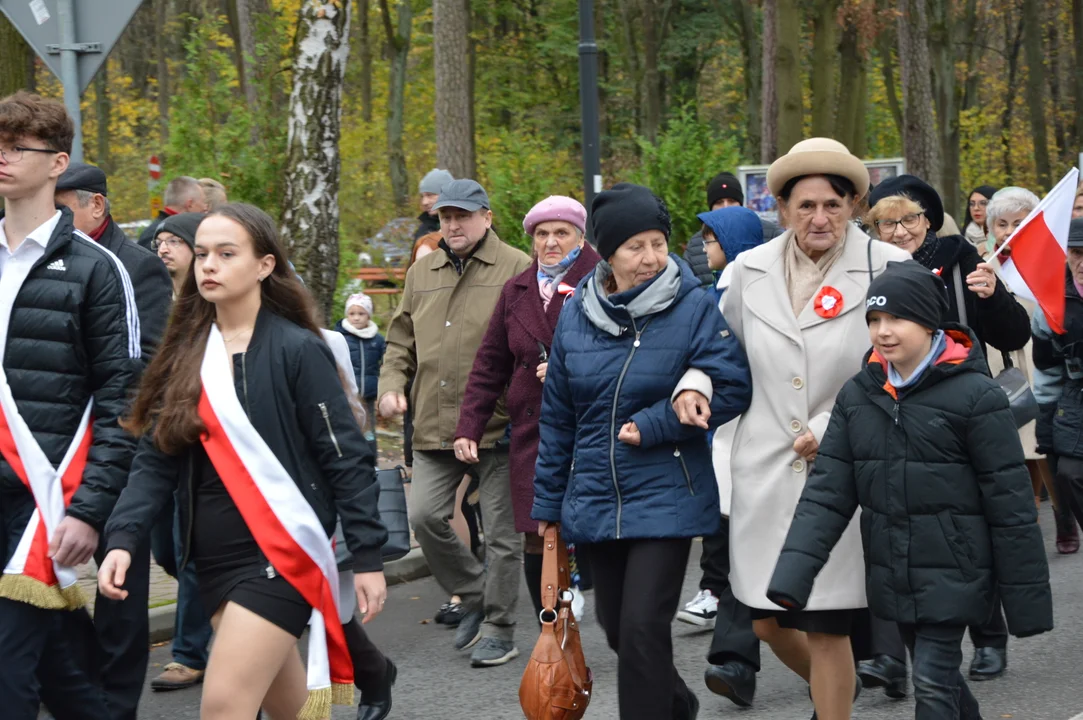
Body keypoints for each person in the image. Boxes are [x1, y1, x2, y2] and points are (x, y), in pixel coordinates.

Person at [99, 203, 389, 720]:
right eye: (203, 253)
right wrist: (122, 537)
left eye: (226, 254)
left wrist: (366, 555)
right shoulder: (185, 352)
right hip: (210, 560)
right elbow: (154, 460)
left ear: (264, 265)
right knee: (290, 710)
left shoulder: (298, 350)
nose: (208, 265)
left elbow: (346, 459)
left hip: (280, 555)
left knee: (224, 706)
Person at [767, 259, 1053, 720]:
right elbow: (827, 493)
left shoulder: (975, 396)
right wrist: (793, 575)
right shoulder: (859, 395)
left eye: (896, 318)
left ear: (928, 321)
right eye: (874, 320)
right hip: (893, 569)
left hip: (957, 569)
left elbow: (1011, 504)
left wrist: (1026, 601)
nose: (883, 331)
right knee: (942, 681)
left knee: (932, 684)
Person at [533, 182, 753, 720]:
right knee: (617, 630)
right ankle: (676, 703)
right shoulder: (575, 313)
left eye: (659, 242)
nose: (652, 257)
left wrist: (657, 423)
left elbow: (732, 383)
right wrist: (546, 506)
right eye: (636, 247)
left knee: (641, 629)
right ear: (608, 253)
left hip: (667, 493)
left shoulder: (693, 306)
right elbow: (558, 415)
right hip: (593, 496)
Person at [721, 138, 911, 720]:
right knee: (765, 619)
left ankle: (832, 702)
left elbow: (901, 364)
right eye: (804, 206)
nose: (819, 218)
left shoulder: (891, 268)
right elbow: (719, 357)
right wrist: (694, 389)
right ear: (780, 209)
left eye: (833, 203)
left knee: (827, 622)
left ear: (854, 204)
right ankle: (840, 691)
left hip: (848, 468)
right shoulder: (744, 271)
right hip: (764, 467)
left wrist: (834, 424)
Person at [0, 90, 141, 719]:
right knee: (62, 676)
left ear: (58, 163)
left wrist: (89, 510)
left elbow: (123, 400)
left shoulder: (98, 271)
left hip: (43, 504)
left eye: (16, 147)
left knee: (7, 675)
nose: (1, 158)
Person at [378, 179, 531, 667]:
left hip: (497, 423)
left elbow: (532, 340)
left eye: (462, 215)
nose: (452, 224)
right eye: (445, 216)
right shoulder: (422, 271)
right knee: (424, 516)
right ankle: (477, 591)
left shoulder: (517, 267)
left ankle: (500, 628)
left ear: (487, 217)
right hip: (433, 422)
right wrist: (390, 384)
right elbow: (400, 338)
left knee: (504, 536)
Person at [48, 161, 170, 719]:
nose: (54, 216)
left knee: (121, 583)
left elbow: (142, 364)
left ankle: (116, 705)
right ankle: (75, 687)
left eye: (64, 204)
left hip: (118, 442)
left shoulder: (137, 267)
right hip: (53, 446)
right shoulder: (42, 258)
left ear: (97, 205)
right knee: (46, 573)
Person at [454, 195, 601, 618]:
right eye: (542, 234)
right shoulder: (516, 289)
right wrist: (470, 425)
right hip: (532, 430)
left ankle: (621, 627)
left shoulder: (604, 281)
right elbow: (490, 363)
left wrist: (567, 367)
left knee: (595, 532)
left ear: (580, 236)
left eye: (561, 232)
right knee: (538, 531)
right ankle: (551, 634)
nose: (551, 242)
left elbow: (626, 348)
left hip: (590, 428)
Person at [673, 205, 764, 708]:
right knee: (741, 550)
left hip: (789, 436)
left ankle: (872, 652)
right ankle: (735, 660)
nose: (704, 249)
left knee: (828, 553)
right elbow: (707, 356)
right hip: (734, 438)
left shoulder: (753, 286)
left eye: (711, 240)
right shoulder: (715, 294)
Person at [1033, 218, 1083, 563]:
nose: (1082, 262)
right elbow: (1047, 367)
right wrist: (1045, 417)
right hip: (1075, 392)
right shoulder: (1051, 302)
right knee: (1069, 472)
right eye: (1077, 253)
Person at [684, 171, 782, 287]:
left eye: (731, 201)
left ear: (740, 203)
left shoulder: (771, 234)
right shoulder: (696, 244)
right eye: (719, 202)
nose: (726, 206)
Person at [336, 292, 386, 448]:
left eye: (361, 313)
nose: (356, 317)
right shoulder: (340, 337)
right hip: (347, 394)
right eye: (352, 314)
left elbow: (386, 363)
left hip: (368, 395)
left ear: (369, 316)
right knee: (349, 428)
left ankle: (372, 462)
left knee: (368, 431)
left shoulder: (377, 340)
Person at [137, 176, 208, 249]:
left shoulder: (163, 230)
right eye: (204, 202)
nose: (205, 207)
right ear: (190, 204)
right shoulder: (155, 235)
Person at [414, 168, 454, 241]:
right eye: (422, 196)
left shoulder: (464, 226)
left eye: (430, 195)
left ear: (446, 194)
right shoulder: (424, 230)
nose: (424, 202)